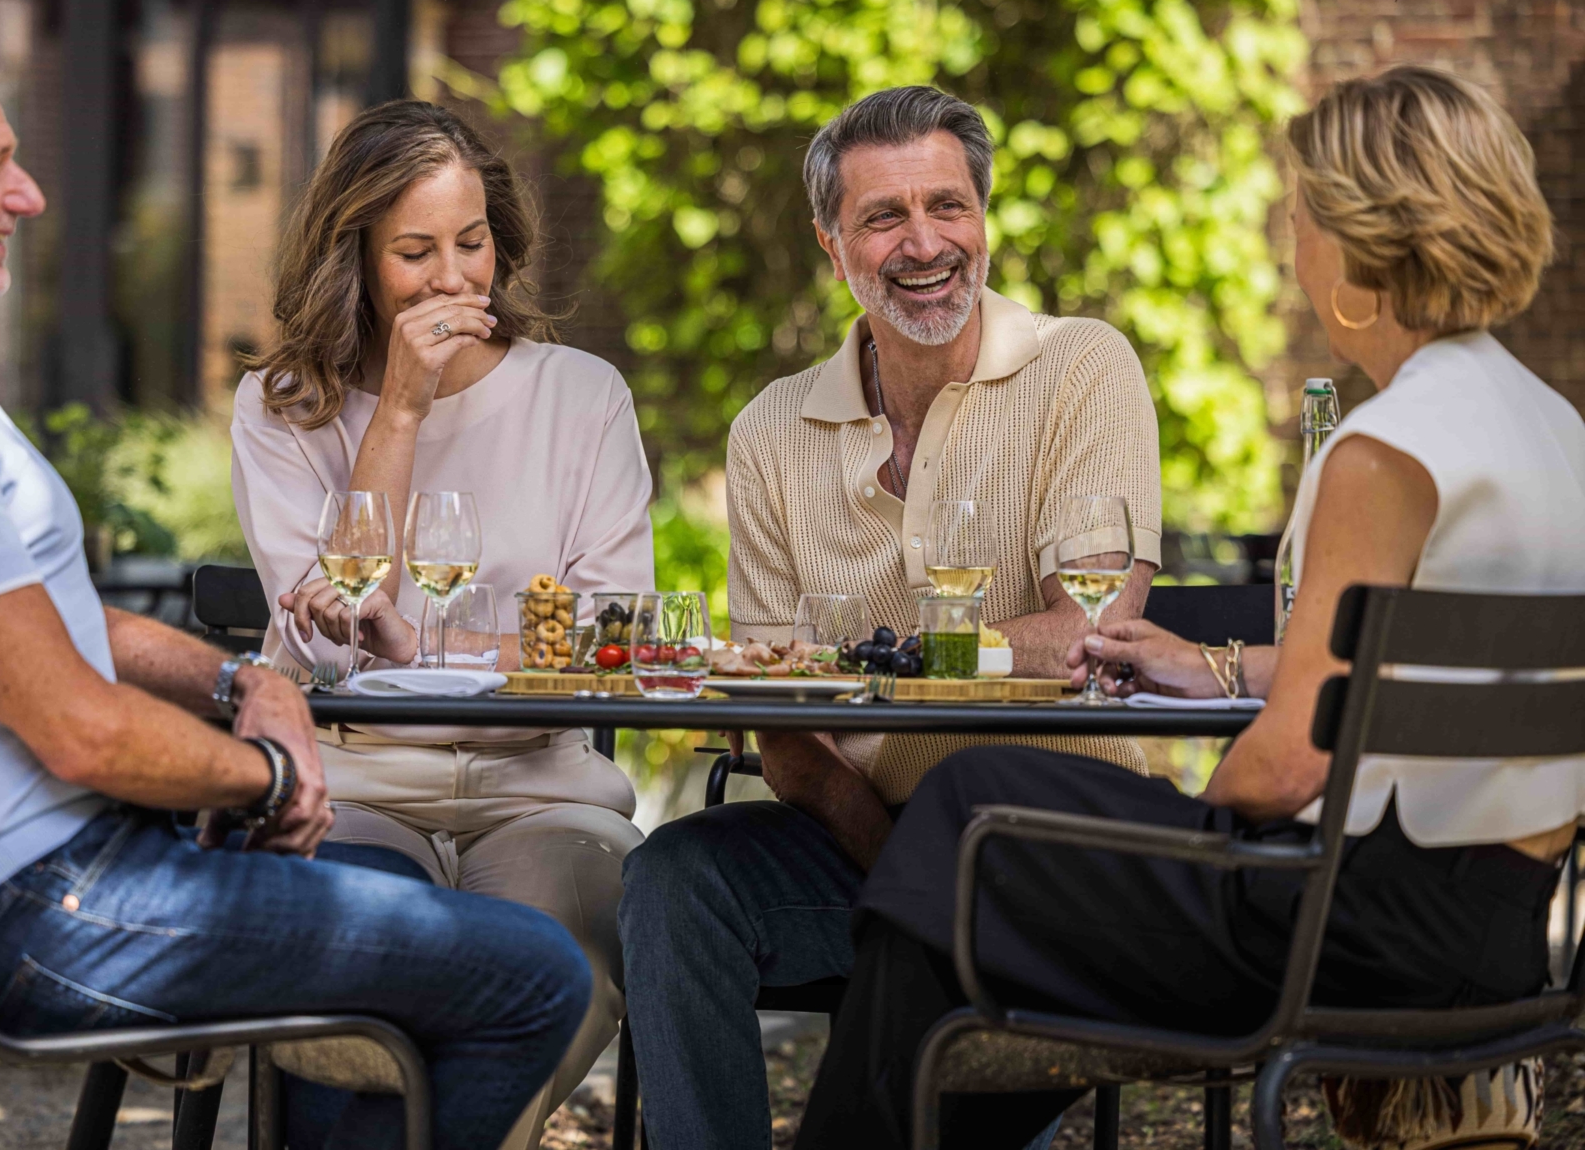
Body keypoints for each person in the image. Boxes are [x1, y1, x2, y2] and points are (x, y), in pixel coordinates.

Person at [0, 21, 591, 1150]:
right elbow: (81, 732)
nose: (26, 195)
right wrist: (266, 775)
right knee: (532, 977)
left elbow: (32, 624)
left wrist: (236, 682)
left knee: (380, 896)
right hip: (31, 908)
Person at [794, 65, 1582, 1149]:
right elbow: (1410, 676)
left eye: (1301, 215)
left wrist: (1213, 798)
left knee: (974, 807)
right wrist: (1219, 670)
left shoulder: (1382, 452)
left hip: (1336, 928)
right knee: (971, 868)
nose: (1290, 244)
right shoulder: (1552, 430)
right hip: (1497, 926)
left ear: (1362, 239)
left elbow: (1292, 766)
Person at [618, 84, 1163, 1150]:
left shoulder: (1083, 368)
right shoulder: (773, 430)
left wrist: (898, 664)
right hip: (862, 843)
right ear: (836, 249)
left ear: (985, 218)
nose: (926, 243)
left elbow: (1089, 631)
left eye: (948, 207)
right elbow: (789, 732)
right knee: (672, 881)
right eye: (885, 217)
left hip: (1052, 845)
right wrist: (895, 855)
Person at [231, 98, 655, 1150]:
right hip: (361, 787)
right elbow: (327, 639)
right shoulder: (283, 407)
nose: (454, 278)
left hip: (542, 791)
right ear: (358, 260)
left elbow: (614, 642)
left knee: (548, 963)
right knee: (342, 964)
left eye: (471, 244)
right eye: (415, 252)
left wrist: (440, 650)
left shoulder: (582, 396)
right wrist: (405, 411)